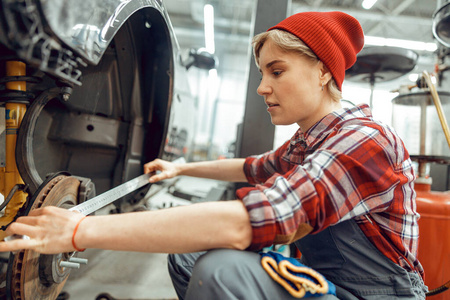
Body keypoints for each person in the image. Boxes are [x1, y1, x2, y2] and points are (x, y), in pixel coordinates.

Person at [0, 11, 428, 300]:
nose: (262, 88)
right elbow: (251, 167)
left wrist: (80, 232)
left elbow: (251, 223)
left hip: (373, 294)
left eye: (277, 72)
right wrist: (179, 168)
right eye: (263, 74)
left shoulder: (361, 140)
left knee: (224, 270)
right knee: (189, 255)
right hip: (334, 280)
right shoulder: (311, 138)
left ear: (322, 71)